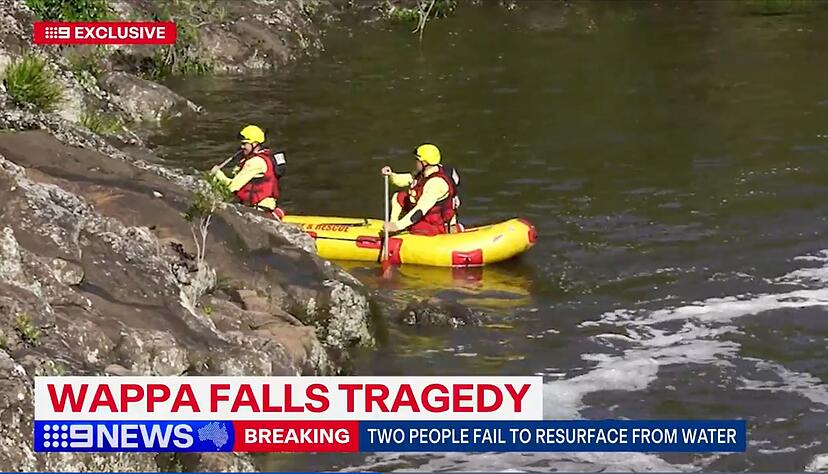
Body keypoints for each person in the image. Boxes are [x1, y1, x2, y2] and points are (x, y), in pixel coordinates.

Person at [381, 143, 462, 235]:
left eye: (417, 160)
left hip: (437, 222)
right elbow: (405, 179)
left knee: (416, 228)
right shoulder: (424, 173)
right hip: (425, 215)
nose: (415, 162)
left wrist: (398, 226)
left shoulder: (435, 183)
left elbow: (420, 209)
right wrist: (390, 175)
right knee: (399, 197)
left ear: (424, 163)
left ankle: (454, 229)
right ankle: (391, 227)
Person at [211, 124, 286, 220]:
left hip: (258, 210)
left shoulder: (254, 162)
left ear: (254, 144)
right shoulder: (265, 157)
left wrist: (218, 174)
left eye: (245, 144)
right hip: (268, 206)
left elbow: (231, 187)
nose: (242, 147)